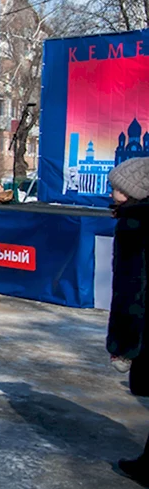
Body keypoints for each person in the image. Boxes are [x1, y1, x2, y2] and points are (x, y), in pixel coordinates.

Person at [105, 157, 149, 485]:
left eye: (117, 186)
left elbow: (131, 287)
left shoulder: (135, 223)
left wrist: (122, 344)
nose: (112, 190)